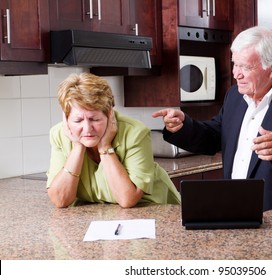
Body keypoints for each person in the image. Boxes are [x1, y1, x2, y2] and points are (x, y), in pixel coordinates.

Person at [152, 26, 272, 211]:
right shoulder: (235, 95)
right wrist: (183, 126)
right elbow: (214, 136)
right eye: (235, 63)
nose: (236, 73)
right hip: (236, 210)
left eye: (246, 66)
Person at [47, 72, 180, 208]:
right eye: (78, 120)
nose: (87, 128)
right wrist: (77, 146)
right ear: (66, 118)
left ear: (109, 114)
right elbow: (60, 200)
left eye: (95, 119)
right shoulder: (59, 134)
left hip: (155, 210)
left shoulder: (135, 132)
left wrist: (105, 147)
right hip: (100, 216)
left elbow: (128, 199)